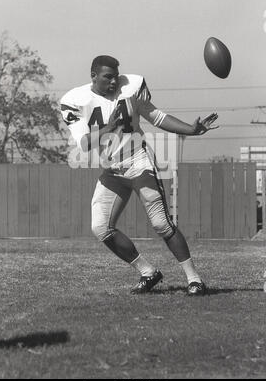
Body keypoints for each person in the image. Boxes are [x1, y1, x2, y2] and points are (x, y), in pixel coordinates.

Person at [60, 55, 218, 295]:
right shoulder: (75, 100)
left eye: (115, 76)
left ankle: (194, 279)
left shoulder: (131, 87)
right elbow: (84, 143)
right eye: (107, 77)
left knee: (161, 223)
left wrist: (191, 130)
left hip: (139, 161)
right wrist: (109, 127)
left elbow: (157, 116)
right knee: (101, 227)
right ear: (93, 76)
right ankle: (148, 272)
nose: (114, 81)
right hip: (112, 169)